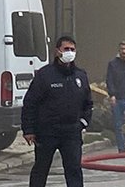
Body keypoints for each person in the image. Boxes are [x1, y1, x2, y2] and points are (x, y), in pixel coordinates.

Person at [23, 35, 93, 187]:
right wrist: (28, 129)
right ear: (57, 51)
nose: (69, 52)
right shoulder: (45, 75)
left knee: (74, 170)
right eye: (66, 49)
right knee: (41, 170)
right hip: (47, 131)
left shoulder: (80, 76)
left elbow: (88, 104)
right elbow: (30, 103)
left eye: (72, 49)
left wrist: (83, 123)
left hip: (72, 132)